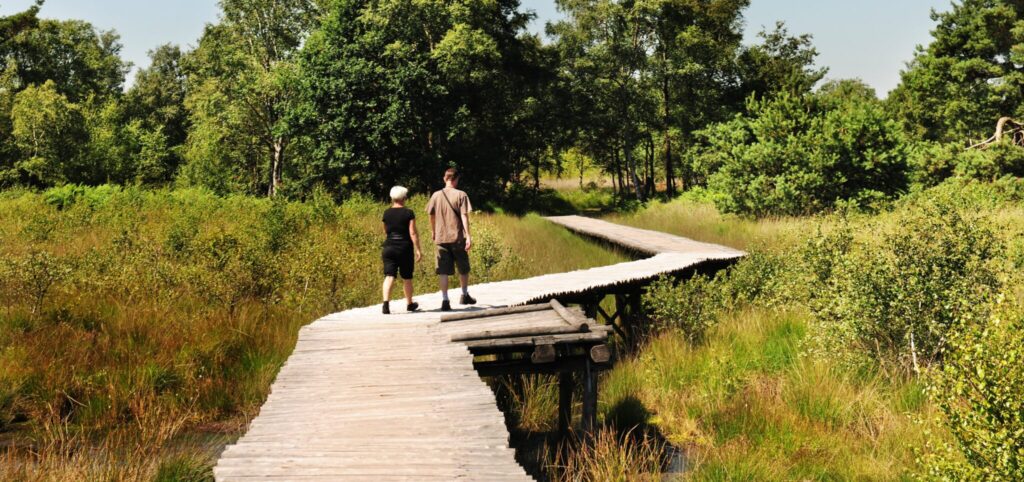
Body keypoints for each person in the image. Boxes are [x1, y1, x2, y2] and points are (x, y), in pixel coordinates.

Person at [426, 168, 475, 311]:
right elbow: (464, 216)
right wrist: (468, 236)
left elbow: (431, 215)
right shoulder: (461, 195)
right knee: (463, 267)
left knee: (443, 271)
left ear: (445, 178)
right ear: (456, 179)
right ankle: (464, 295)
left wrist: (433, 231)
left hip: (441, 237)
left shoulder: (435, 195)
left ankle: (445, 300)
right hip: (457, 237)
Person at [381, 186, 422, 314]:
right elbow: (412, 232)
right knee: (407, 277)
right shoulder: (408, 213)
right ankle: (409, 304)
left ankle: (385, 305)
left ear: (392, 198)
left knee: (389, 276)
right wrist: (418, 249)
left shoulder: (386, 213)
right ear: (404, 198)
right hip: (404, 248)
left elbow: (385, 231)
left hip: (389, 247)